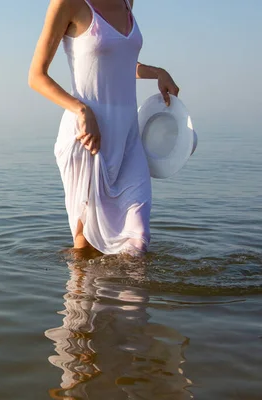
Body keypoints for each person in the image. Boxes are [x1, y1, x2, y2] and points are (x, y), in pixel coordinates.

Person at [28, 0, 180, 255]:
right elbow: (36, 76)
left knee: (138, 240)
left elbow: (115, 62)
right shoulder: (68, 4)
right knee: (85, 247)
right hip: (88, 138)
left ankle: (133, 294)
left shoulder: (127, 2)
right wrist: (81, 109)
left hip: (128, 140)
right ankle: (81, 293)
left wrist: (158, 72)